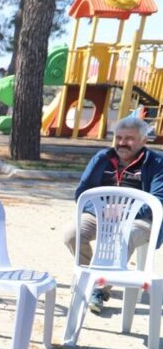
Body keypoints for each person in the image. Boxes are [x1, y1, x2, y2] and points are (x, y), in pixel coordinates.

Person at [62, 116, 163, 313]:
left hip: (140, 220)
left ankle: (99, 289)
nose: (122, 143)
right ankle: (92, 276)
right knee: (71, 233)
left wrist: (125, 212)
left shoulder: (157, 163)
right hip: (100, 214)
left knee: (123, 237)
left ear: (144, 141)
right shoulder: (102, 158)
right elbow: (82, 193)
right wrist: (101, 211)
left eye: (129, 138)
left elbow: (159, 200)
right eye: (119, 137)